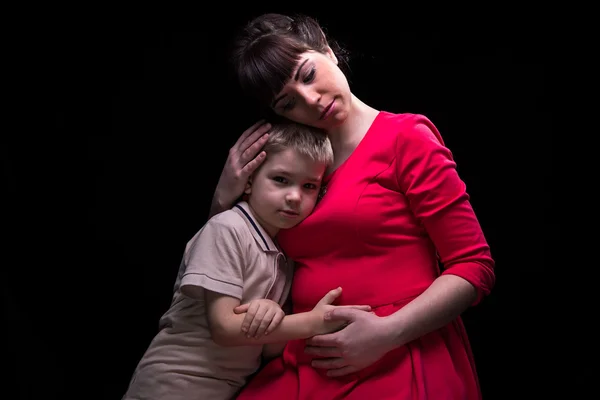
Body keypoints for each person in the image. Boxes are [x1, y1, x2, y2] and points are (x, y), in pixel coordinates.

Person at [209, 12, 496, 399]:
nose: (310, 101)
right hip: (305, 362)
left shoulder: (405, 138)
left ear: (328, 50)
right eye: (288, 103)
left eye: (308, 75)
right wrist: (223, 199)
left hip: (398, 353)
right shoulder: (294, 168)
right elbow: (231, 263)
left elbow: (474, 265)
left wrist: (387, 333)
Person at [122, 120, 372, 400]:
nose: (294, 196)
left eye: (309, 186)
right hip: (173, 382)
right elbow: (225, 328)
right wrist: (316, 321)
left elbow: (269, 349)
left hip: (226, 389)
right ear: (250, 181)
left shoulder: (284, 255)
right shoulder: (227, 228)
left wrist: (271, 313)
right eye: (280, 179)